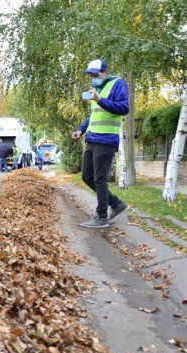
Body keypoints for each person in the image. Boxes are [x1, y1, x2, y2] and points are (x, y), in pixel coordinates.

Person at [72, 59, 129, 229]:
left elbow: (123, 108)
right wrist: (81, 130)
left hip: (106, 140)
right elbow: (94, 116)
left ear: (105, 72)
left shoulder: (118, 84)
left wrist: (100, 100)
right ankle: (117, 204)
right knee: (86, 177)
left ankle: (102, 217)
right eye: (90, 76)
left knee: (99, 179)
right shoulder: (97, 88)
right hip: (92, 138)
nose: (93, 78)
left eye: (95, 75)